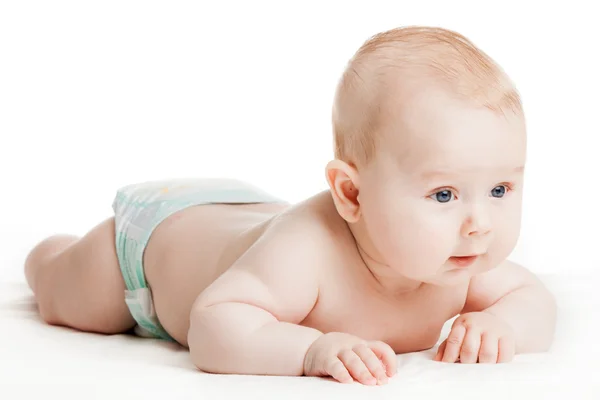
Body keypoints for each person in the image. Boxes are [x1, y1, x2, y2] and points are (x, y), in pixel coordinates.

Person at [24, 26, 557, 386]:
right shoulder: (305, 253)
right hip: (157, 240)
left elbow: (533, 299)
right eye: (444, 195)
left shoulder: (458, 260)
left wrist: (505, 324)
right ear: (352, 195)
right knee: (75, 299)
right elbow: (212, 324)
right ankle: (48, 256)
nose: (481, 225)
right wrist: (308, 351)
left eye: (501, 191)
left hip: (250, 211)